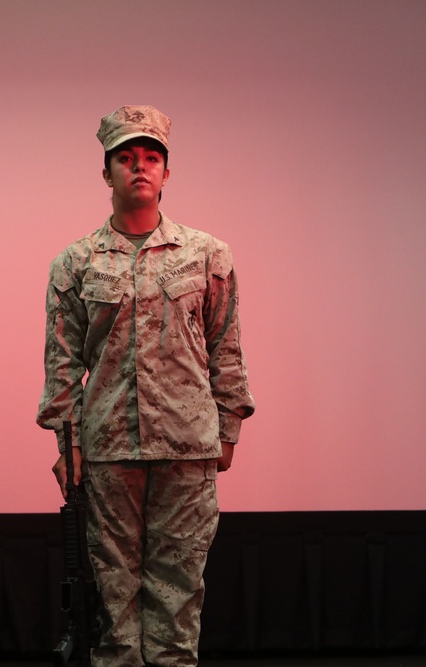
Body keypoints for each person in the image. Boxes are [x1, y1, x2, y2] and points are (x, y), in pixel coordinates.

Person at [37, 105, 255, 667]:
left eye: (151, 158)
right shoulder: (76, 263)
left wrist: (227, 429)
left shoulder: (208, 255)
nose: (140, 167)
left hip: (187, 449)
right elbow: (62, 365)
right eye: (126, 158)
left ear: (166, 172)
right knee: (114, 604)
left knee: (178, 602)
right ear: (105, 172)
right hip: (109, 453)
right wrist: (69, 445)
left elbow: (225, 347)